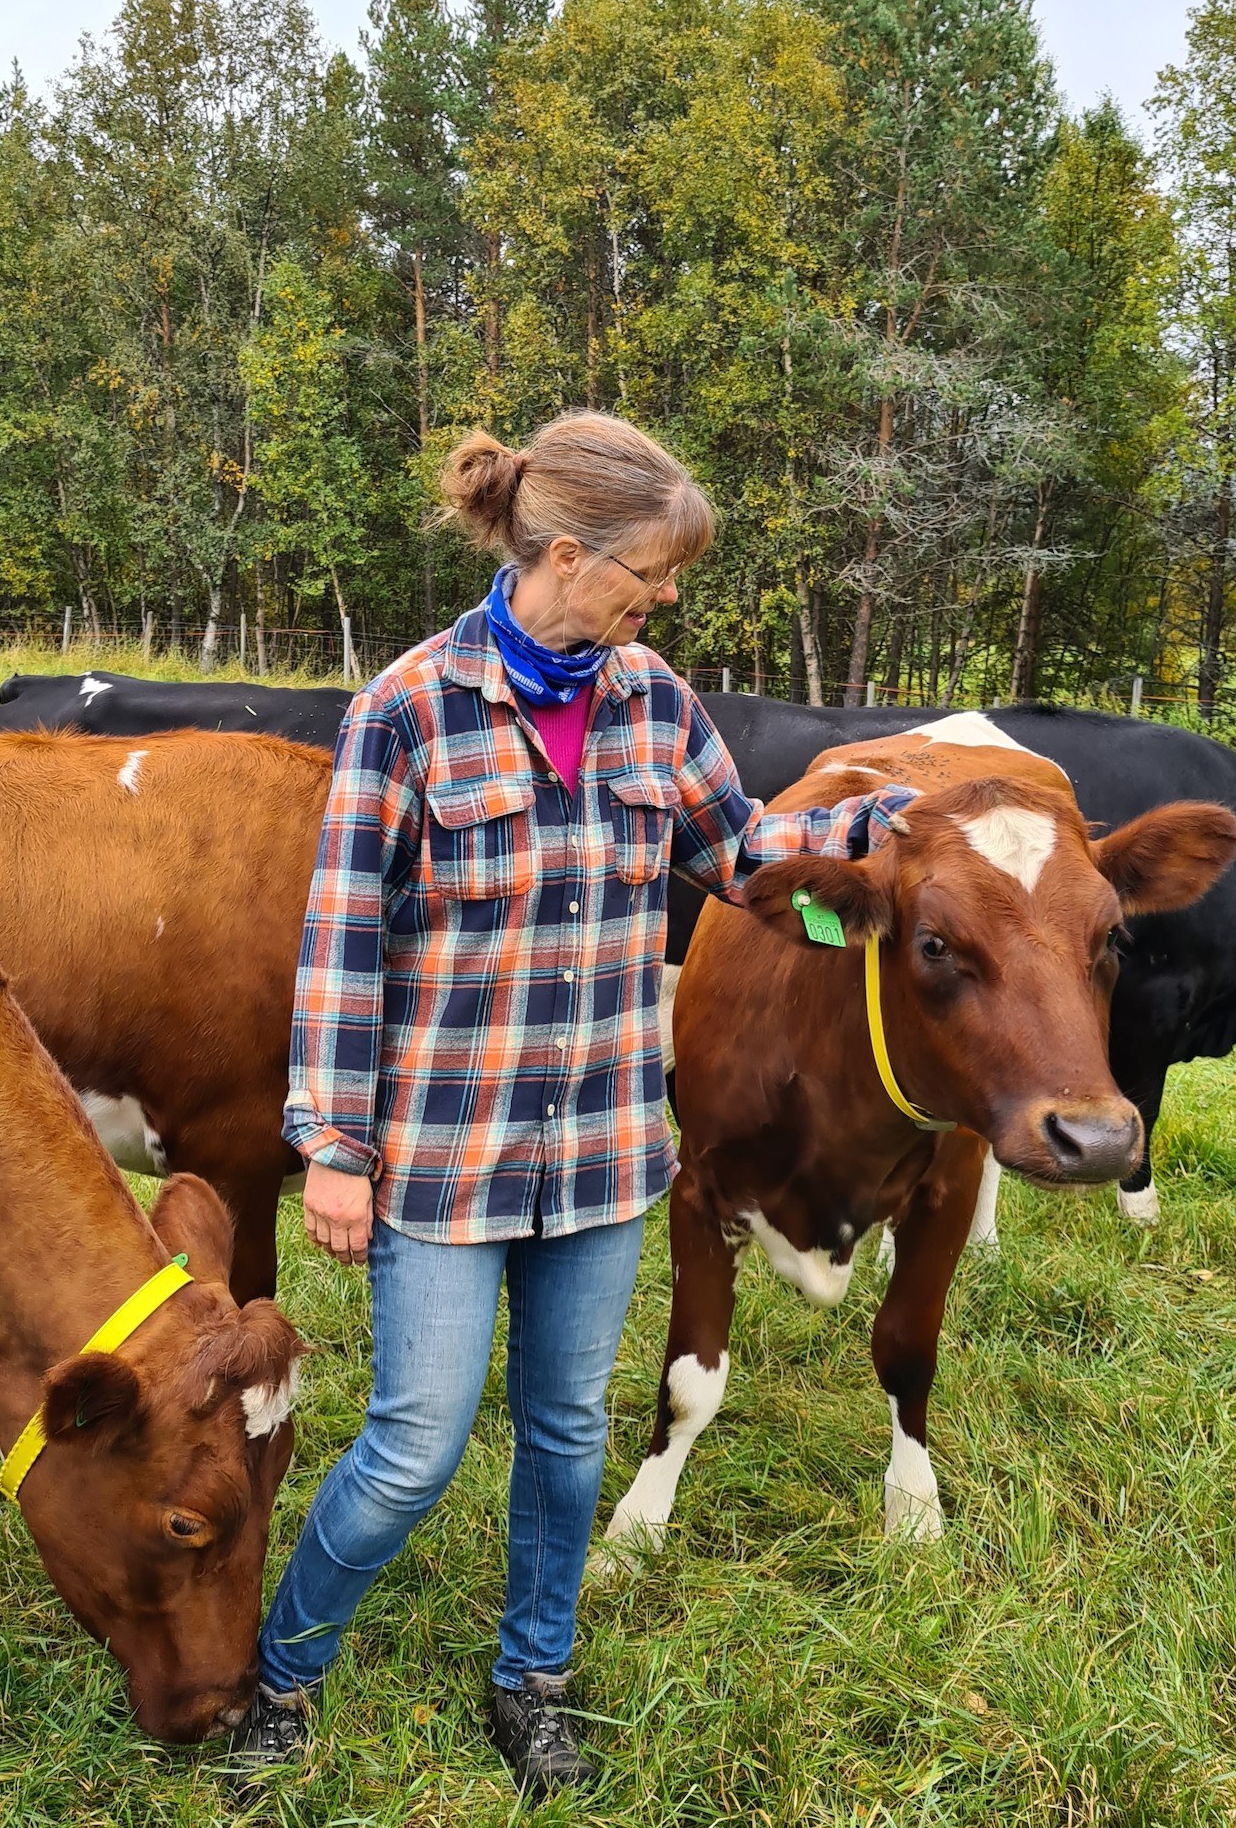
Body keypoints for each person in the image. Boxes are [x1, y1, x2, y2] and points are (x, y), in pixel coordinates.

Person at [232, 412, 914, 1796]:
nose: (661, 599)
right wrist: (335, 1148)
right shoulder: (410, 708)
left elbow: (740, 855)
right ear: (563, 552)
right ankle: (283, 1670)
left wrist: (864, 826)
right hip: (442, 1154)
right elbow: (341, 942)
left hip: (605, 1153)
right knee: (415, 1443)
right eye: (648, 574)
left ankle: (531, 1677)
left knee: (566, 1433)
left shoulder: (653, 697)